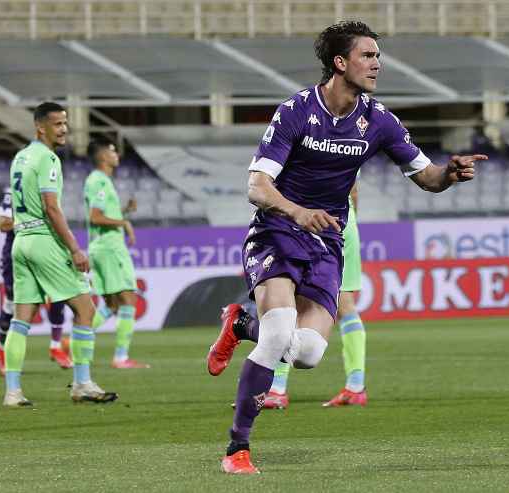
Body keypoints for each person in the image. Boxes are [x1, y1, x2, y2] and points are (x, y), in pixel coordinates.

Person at [206, 21, 486, 474]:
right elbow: (258, 187)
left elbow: (426, 177)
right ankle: (237, 449)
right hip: (277, 232)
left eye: (378, 56)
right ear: (340, 63)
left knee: (311, 355)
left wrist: (449, 173)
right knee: (279, 335)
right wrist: (297, 212)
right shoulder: (296, 111)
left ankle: (240, 324)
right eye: (368, 55)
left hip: (326, 244)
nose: (377, 63)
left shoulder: (379, 121)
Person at [2, 101, 118, 407]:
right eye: (57, 124)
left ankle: (12, 392)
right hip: (42, 240)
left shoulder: (20, 157)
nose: (64, 129)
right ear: (41, 127)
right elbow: (51, 207)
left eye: (66, 123)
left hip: (20, 239)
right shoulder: (47, 158)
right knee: (86, 309)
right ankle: (82, 383)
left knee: (21, 318)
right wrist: (74, 248)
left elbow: (14, 204)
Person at [221, 183, 368, 410]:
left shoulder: (304, 149)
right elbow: (354, 191)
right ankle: (355, 386)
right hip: (343, 223)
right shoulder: (360, 145)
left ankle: (276, 387)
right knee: (345, 305)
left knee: (292, 304)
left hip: (308, 219)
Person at [83, 137, 149, 369]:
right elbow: (95, 216)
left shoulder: (99, 181)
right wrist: (124, 223)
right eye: (112, 151)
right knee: (128, 299)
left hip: (100, 246)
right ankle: (121, 357)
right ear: (102, 156)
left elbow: (101, 215)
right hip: (110, 247)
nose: (116, 154)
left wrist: (124, 212)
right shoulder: (99, 180)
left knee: (111, 305)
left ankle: (75, 338)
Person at [0, 186, 72, 375]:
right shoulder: (13, 191)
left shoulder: (47, 189)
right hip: (17, 253)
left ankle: (55, 346)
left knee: (58, 294)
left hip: (45, 250)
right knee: (13, 304)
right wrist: (32, 223)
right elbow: (3, 225)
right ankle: (1, 347)